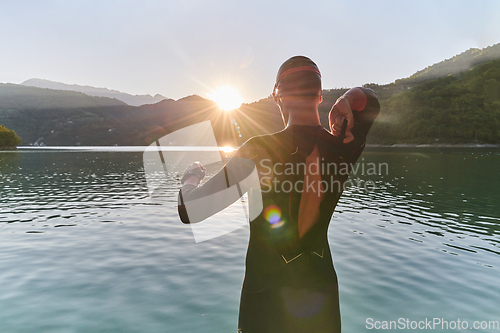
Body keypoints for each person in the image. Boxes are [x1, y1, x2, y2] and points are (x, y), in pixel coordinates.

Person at [178, 56, 380, 332]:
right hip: (321, 298)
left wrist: (191, 176)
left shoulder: (259, 149)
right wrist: (346, 99)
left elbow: (191, 210)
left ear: (277, 97)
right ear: (319, 95)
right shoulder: (342, 146)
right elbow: (371, 102)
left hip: (266, 301)